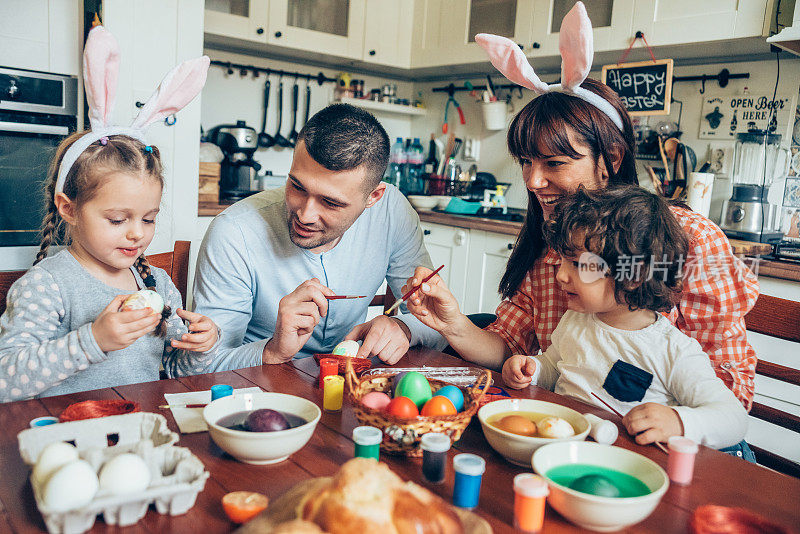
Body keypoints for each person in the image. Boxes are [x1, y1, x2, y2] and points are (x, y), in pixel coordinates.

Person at [404, 5, 759, 416]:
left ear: (610, 157)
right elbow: (512, 349)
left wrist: (671, 420)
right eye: (526, 162)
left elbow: (732, 389)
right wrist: (452, 323)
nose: (533, 182)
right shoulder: (551, 236)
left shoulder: (688, 238)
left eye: (554, 163)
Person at [0, 26, 217, 403]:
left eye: (148, 219)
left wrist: (198, 349)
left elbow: (173, 371)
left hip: (142, 429)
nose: (137, 234)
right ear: (68, 208)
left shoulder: (158, 285)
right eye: (118, 220)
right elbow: (6, 380)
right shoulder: (48, 284)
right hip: (68, 439)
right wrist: (93, 339)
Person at [193, 104, 443, 371]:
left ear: (373, 197)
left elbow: (439, 322)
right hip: (257, 385)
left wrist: (403, 327)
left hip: (351, 386)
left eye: (331, 203)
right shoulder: (234, 232)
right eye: (297, 186)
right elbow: (198, 367)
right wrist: (272, 351)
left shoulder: (392, 212)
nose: (305, 215)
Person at [501, 186, 748, 453]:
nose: (560, 275)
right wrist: (532, 369)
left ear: (633, 276)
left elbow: (733, 419)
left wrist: (678, 421)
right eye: (563, 260)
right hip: (570, 450)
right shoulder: (575, 320)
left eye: (578, 264)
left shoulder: (672, 350)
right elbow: (556, 366)